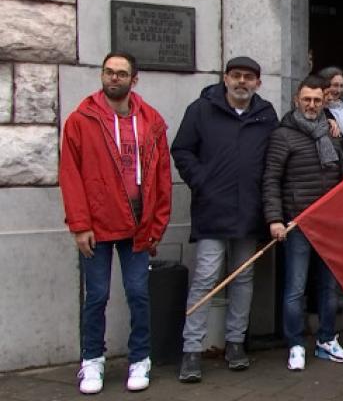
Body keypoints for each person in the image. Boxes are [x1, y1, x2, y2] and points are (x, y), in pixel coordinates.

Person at [59, 52, 172, 394]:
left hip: (138, 226)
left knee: (138, 294)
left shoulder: (151, 121)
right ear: (102, 75)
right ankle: (92, 360)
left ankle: (140, 358)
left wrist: (157, 225)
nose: (114, 78)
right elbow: (70, 176)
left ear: (133, 80)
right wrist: (80, 225)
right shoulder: (81, 120)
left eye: (121, 73)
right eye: (108, 72)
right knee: (96, 296)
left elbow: (162, 178)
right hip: (97, 225)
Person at [173, 56, 278, 382]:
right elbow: (182, 150)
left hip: (250, 211)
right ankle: (191, 349)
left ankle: (235, 343)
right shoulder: (200, 110)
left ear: (258, 83)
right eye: (236, 75)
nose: (241, 81)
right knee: (205, 278)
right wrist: (202, 181)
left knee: (243, 280)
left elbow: (276, 156)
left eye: (248, 77)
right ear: (225, 78)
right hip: (212, 210)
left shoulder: (267, 115)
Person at [264, 76, 343, 371]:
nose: (312, 105)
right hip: (298, 223)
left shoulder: (331, 132)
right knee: (295, 288)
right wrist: (275, 219)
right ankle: (296, 345)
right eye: (307, 100)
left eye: (317, 100)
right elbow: (271, 179)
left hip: (329, 223)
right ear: (296, 101)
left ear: (323, 102)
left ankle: (326, 340)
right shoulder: (282, 135)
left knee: (329, 287)